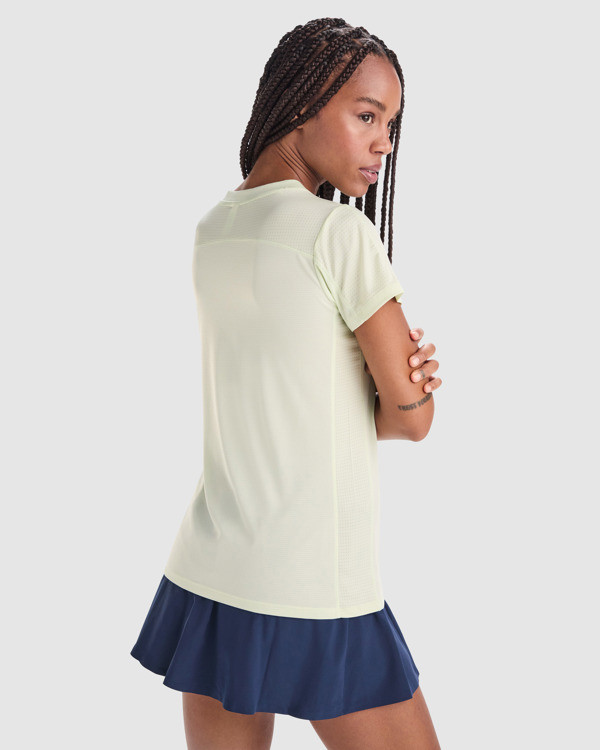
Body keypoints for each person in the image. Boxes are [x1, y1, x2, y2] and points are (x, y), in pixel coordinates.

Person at [130, 17, 443, 750]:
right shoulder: (339, 233)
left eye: (391, 124)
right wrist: (408, 387)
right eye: (366, 116)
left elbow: (294, 404)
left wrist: (367, 388)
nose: (384, 142)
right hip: (315, 583)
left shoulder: (215, 228)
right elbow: (412, 421)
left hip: (213, 572)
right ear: (303, 102)